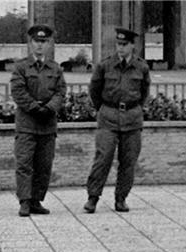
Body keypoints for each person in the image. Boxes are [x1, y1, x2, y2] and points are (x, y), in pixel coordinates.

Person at [82, 26, 151, 214]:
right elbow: (94, 91)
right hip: (108, 117)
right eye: (118, 44)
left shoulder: (141, 67)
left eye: (124, 44)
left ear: (132, 46)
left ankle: (121, 198)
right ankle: (93, 197)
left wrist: (134, 109)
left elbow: (144, 93)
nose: (120, 48)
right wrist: (104, 109)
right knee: (103, 157)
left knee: (128, 160)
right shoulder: (105, 65)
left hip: (132, 118)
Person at [10, 24, 67, 217]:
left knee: (43, 166)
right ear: (30, 42)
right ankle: (24, 201)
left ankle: (36, 200)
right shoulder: (21, 67)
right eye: (36, 41)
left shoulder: (56, 68)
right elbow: (18, 92)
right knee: (24, 164)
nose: (40, 46)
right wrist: (36, 108)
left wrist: (49, 108)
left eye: (44, 41)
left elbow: (61, 92)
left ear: (49, 44)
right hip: (27, 124)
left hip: (47, 125)